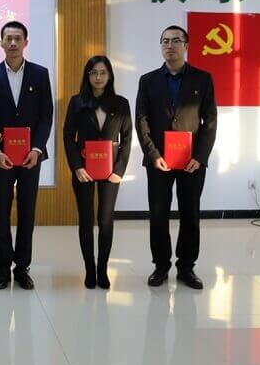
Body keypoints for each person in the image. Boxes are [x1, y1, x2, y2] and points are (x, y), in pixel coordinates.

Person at [135, 25, 217, 290]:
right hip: (159, 160)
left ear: (186, 45)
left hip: (191, 161)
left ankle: (186, 267)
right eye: (165, 41)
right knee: (158, 214)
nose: (170, 45)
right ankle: (160, 266)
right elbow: (141, 121)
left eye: (175, 40)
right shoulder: (148, 80)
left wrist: (200, 157)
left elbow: (210, 121)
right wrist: (153, 154)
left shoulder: (203, 79)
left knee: (190, 213)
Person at [0, 21, 53, 291]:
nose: (12, 43)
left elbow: (46, 116)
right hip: (2, 158)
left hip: (31, 157)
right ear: (1, 42)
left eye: (17, 38)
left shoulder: (40, 74)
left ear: (25, 42)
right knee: (1, 211)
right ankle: (2, 268)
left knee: (27, 211)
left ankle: (22, 268)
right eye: (8, 38)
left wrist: (37, 149)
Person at [63, 56, 132, 289]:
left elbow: (127, 138)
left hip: (111, 171)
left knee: (105, 219)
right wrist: (77, 167)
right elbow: (68, 136)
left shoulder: (121, 103)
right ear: (87, 76)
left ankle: (103, 269)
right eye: (93, 72)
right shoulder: (77, 102)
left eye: (103, 72)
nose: (98, 77)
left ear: (110, 75)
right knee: (86, 219)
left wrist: (120, 170)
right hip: (83, 169)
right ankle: (89, 269)